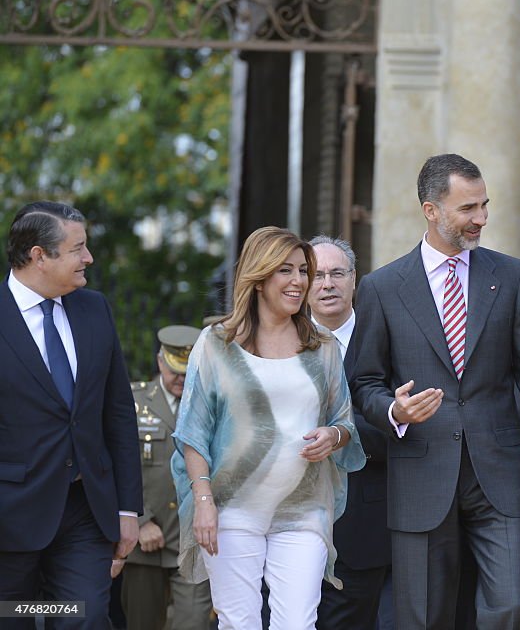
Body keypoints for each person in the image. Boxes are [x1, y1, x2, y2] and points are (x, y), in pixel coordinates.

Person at [349, 153, 520, 629]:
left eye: (484, 205)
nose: (482, 218)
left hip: (501, 472)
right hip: (420, 471)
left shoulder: (510, 276)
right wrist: (394, 411)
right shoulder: (382, 287)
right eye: (468, 208)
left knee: (512, 604)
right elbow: (362, 381)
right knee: (422, 616)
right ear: (431, 210)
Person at [171, 226, 365, 629]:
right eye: (285, 271)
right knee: (239, 622)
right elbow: (193, 432)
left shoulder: (321, 346)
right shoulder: (216, 344)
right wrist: (204, 502)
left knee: (297, 622)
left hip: (304, 509)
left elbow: (343, 421)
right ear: (258, 278)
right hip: (231, 506)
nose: (299, 282)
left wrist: (333, 436)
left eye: (302, 271)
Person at [0, 201, 142, 628]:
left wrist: (128, 509)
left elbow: (118, 413)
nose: (89, 259)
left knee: (85, 615)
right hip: (11, 514)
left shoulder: (93, 308)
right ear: (39, 256)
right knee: (15, 617)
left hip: (85, 509)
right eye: (78, 248)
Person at [308, 235, 392, 630]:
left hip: (365, 528)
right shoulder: (279, 343)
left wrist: (339, 435)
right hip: (291, 522)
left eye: (337, 273)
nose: (327, 283)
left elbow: (401, 427)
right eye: (317, 274)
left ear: (354, 279)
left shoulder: (389, 339)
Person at [122, 325, 213, 629]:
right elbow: (113, 466)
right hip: (143, 543)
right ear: (160, 361)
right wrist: (140, 518)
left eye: (189, 372)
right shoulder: (132, 403)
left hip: (194, 544)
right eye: (175, 371)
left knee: (194, 622)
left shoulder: (211, 405)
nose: (182, 379)